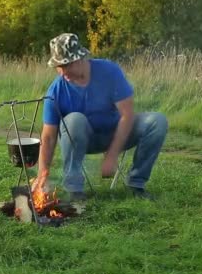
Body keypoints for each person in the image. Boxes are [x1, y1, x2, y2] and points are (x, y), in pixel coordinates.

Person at [34, 33, 168, 211]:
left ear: (81, 58)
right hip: (82, 140)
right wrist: (43, 174)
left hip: (116, 133)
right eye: (58, 66)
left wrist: (112, 155)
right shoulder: (56, 91)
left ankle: (136, 185)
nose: (63, 72)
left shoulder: (109, 71)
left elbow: (127, 115)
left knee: (157, 121)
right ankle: (74, 190)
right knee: (74, 120)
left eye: (67, 65)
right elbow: (49, 137)